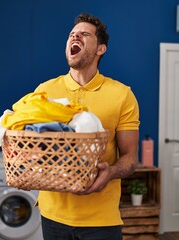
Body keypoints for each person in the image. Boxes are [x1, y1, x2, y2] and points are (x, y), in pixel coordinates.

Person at [34, 13, 140, 240]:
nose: (75, 36)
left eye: (84, 34)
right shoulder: (44, 91)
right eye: (72, 34)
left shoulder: (122, 95)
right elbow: (33, 142)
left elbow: (130, 159)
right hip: (53, 214)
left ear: (100, 48)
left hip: (101, 218)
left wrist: (110, 172)